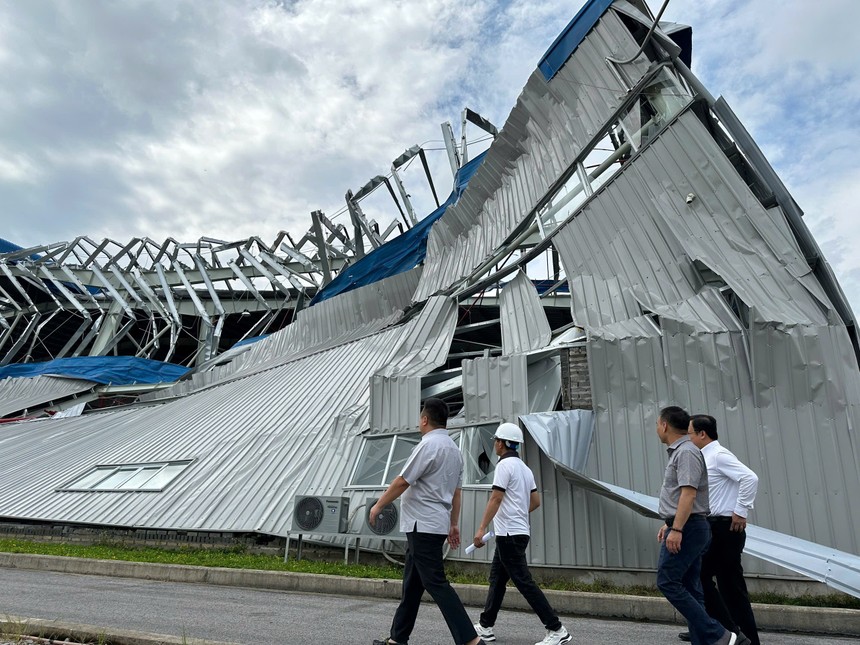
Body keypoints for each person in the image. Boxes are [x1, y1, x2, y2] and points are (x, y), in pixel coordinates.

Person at [370, 398, 486, 645]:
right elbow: (456, 492)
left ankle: (471, 640)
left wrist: (379, 504)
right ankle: (397, 639)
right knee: (412, 585)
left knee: (436, 583)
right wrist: (453, 524)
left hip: (421, 524)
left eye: (420, 418)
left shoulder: (428, 446)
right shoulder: (455, 451)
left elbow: (403, 480)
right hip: (434, 524)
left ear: (424, 419)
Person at [655, 406, 750, 645]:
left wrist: (676, 528)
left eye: (657, 423)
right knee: (691, 585)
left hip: (689, 528)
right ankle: (707, 640)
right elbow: (682, 497)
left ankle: (720, 634)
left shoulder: (686, 452)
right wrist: (670, 524)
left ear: (664, 425)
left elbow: (689, 494)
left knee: (668, 581)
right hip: (689, 525)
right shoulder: (683, 451)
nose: (657, 428)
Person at [471, 422, 572, 645]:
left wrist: (481, 529)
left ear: (503, 443)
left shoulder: (504, 467)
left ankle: (556, 629)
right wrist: (517, 511)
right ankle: (486, 626)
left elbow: (495, 499)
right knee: (497, 580)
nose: (495, 444)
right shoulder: (525, 469)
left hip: (509, 534)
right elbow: (535, 501)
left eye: (497, 440)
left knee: (524, 582)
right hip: (517, 532)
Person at [678, 414, 760, 645]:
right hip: (713, 526)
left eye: (690, 434)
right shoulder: (704, 456)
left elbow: (749, 478)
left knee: (711, 579)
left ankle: (727, 631)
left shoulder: (719, 455)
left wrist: (741, 510)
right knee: (719, 582)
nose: (687, 439)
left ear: (702, 434)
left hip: (725, 528)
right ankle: (718, 630)